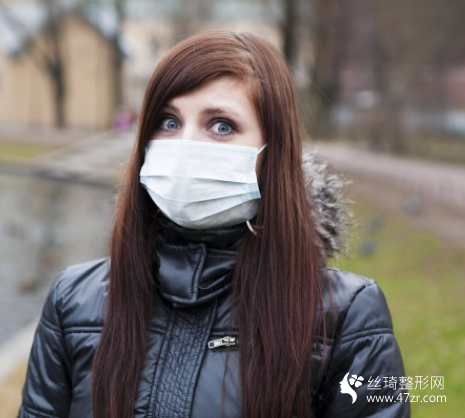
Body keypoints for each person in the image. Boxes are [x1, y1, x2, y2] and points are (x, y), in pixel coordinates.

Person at [17, 30, 410, 418]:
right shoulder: (73, 300)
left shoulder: (346, 318)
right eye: (168, 121)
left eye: (221, 126)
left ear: (272, 153)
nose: (184, 145)